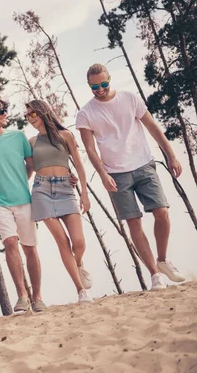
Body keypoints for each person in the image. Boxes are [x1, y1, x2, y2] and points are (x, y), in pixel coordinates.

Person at [77, 63, 185, 290]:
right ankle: (155, 275)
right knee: (133, 222)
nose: (100, 89)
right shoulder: (86, 113)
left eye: (104, 84)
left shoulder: (130, 98)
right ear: (89, 85)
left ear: (110, 79)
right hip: (115, 174)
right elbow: (90, 149)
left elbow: (153, 127)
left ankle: (163, 260)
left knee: (162, 212)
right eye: (95, 86)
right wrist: (103, 174)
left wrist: (171, 155)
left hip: (143, 164)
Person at [0, 96, 47, 313]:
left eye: (5, 110)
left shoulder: (18, 137)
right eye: (0, 110)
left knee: (30, 248)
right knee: (11, 243)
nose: (5, 114)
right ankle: (22, 295)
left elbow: (30, 165)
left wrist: (21, 182)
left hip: (24, 200)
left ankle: (37, 297)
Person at [25, 100, 93, 303]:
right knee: (62, 242)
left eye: (33, 113)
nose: (30, 118)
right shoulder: (31, 142)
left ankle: (78, 263)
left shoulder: (66, 136)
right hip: (41, 191)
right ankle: (81, 291)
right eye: (27, 115)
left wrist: (84, 193)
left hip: (66, 189)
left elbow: (79, 165)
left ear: (43, 112)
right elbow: (30, 170)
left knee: (78, 242)